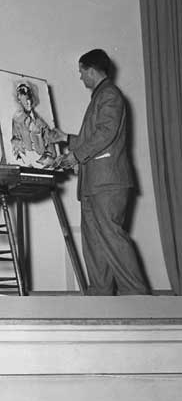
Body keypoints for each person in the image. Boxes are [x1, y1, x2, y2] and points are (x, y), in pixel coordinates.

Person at [50, 49, 149, 295]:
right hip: (94, 184)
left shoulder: (110, 95)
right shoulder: (100, 97)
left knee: (112, 238)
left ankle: (139, 298)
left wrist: (75, 156)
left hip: (108, 183)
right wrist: (65, 138)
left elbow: (106, 134)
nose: (81, 77)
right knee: (95, 243)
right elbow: (94, 137)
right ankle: (101, 297)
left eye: (81, 72)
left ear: (91, 70)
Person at [11, 82, 56, 168]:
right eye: (24, 101)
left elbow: (50, 143)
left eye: (29, 99)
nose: (28, 103)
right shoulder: (17, 120)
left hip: (42, 161)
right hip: (26, 161)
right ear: (20, 101)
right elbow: (15, 140)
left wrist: (49, 157)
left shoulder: (40, 121)